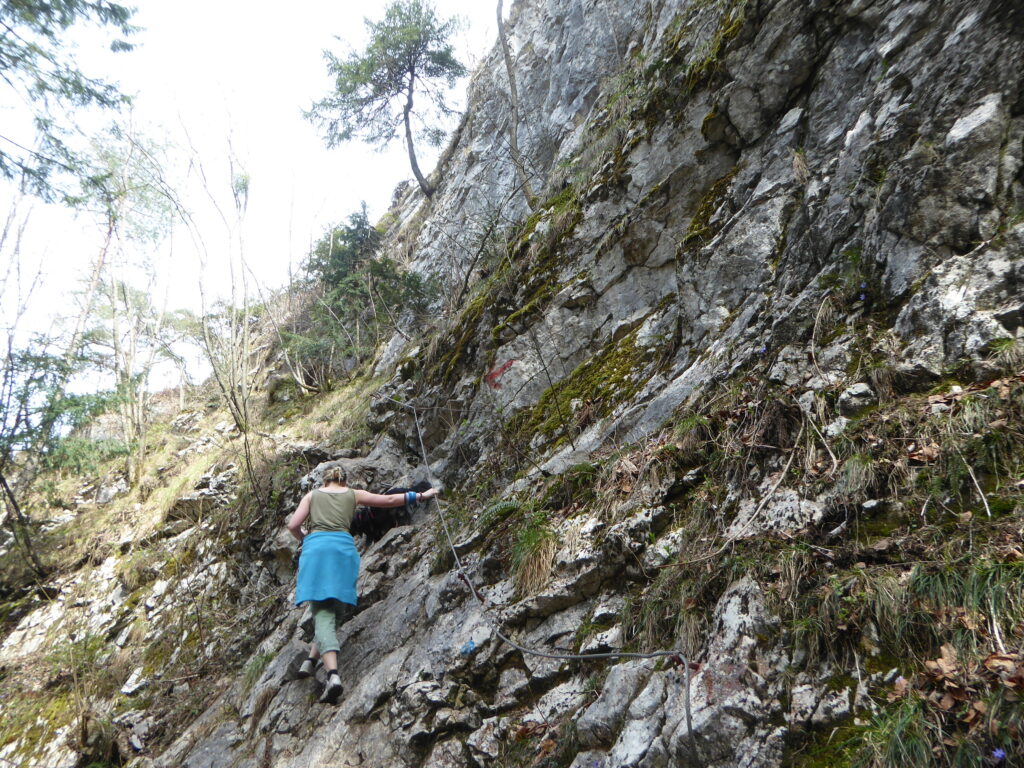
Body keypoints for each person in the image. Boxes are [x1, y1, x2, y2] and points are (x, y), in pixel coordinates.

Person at [287, 464, 438, 703]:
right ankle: (310, 660)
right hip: (344, 553)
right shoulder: (353, 494)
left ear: (325, 482)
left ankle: (333, 675)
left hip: (317, 552)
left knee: (322, 612)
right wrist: (420, 495)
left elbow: (293, 526)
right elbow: (388, 501)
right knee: (335, 608)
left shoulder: (312, 496)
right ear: (344, 482)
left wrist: (307, 538)